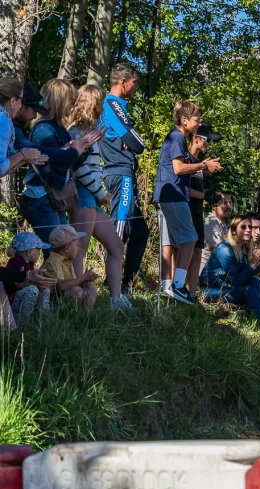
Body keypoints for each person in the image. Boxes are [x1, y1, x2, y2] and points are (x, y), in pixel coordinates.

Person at [66, 83, 131, 310]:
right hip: (85, 194)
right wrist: (101, 193)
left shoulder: (90, 131)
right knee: (79, 248)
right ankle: (76, 297)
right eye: (99, 104)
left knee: (115, 245)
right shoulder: (75, 131)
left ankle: (116, 299)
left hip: (94, 195)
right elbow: (79, 169)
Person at [153, 100, 221, 303]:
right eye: (196, 120)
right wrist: (204, 166)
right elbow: (178, 168)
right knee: (189, 238)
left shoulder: (178, 138)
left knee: (187, 239)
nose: (199, 124)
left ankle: (176, 286)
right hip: (172, 195)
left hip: (175, 195)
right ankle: (177, 286)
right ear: (184, 121)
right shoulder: (177, 138)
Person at [22, 79, 102, 246]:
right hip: (41, 197)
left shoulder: (58, 128)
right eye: (70, 101)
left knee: (64, 247)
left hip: (52, 197)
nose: (73, 106)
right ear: (60, 102)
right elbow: (58, 162)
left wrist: (83, 148)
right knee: (56, 248)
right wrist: (78, 147)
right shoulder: (44, 129)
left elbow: (72, 161)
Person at [100, 64, 149, 292]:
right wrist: (130, 141)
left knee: (139, 230)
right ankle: (111, 285)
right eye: (134, 82)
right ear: (123, 82)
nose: (136, 87)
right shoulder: (112, 103)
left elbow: (130, 141)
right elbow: (137, 143)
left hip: (123, 172)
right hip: (119, 172)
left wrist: (128, 140)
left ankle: (127, 282)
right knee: (119, 224)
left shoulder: (117, 105)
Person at [200, 216, 260, 330]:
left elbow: (247, 273)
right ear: (234, 231)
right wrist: (254, 264)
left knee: (255, 281)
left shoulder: (241, 248)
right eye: (243, 227)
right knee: (248, 290)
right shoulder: (225, 248)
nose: (248, 230)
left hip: (225, 287)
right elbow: (236, 280)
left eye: (250, 227)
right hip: (212, 290)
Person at [183, 121, 220, 295]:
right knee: (184, 250)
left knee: (198, 250)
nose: (209, 144)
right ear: (196, 138)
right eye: (208, 140)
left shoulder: (199, 162)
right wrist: (206, 196)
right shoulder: (185, 160)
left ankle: (191, 292)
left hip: (197, 210)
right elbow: (183, 189)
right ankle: (179, 288)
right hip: (186, 210)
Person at [41, 225, 98, 309]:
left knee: (90, 287)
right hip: (54, 300)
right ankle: (66, 316)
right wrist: (82, 278)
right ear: (67, 248)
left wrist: (86, 279)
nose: (78, 248)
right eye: (76, 245)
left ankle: (86, 316)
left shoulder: (68, 260)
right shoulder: (53, 262)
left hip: (66, 294)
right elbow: (61, 286)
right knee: (76, 291)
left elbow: (72, 282)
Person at [0, 78, 48, 177]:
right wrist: (23, 154)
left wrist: (24, 159)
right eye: (21, 100)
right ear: (13, 101)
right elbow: (1, 167)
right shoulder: (3, 120)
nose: (21, 105)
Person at [4, 231, 53, 322]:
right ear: (30, 252)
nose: (40, 253)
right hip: (13, 299)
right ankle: (22, 320)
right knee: (32, 289)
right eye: (39, 250)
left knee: (45, 289)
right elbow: (13, 284)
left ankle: (42, 318)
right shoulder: (15, 263)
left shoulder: (29, 264)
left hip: (22, 296)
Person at [203, 192, 232, 270]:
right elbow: (218, 251)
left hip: (221, 269)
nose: (229, 206)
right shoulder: (211, 222)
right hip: (209, 273)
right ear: (214, 206)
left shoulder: (223, 224)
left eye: (230, 203)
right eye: (225, 203)